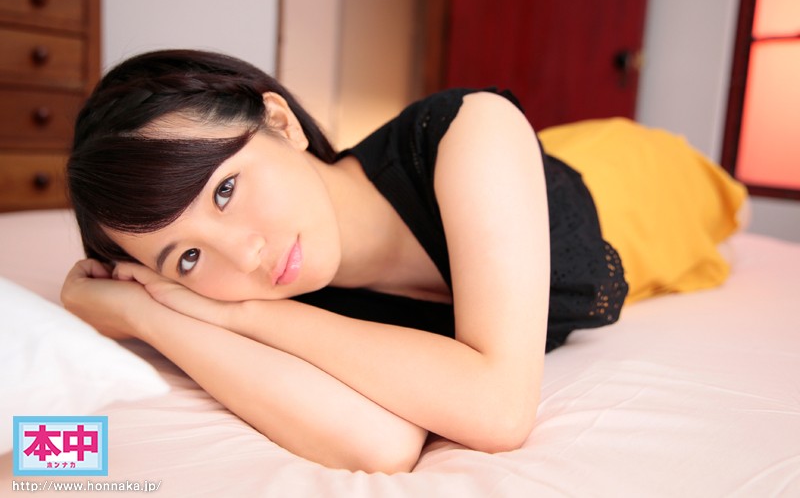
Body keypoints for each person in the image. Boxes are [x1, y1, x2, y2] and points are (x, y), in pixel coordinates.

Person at [61, 49, 628, 473]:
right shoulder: (290, 299)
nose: (244, 255)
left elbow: (498, 411)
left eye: (225, 190)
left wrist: (238, 315)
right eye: (187, 258)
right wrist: (148, 316)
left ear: (281, 123)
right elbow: (378, 445)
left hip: (631, 188)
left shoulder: (472, 130)